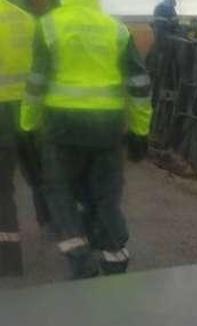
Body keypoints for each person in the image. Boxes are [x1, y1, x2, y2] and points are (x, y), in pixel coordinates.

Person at [20, 0, 153, 279]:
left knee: (60, 192)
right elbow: (138, 82)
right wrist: (141, 131)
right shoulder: (116, 29)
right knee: (106, 194)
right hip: (107, 127)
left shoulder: (49, 25)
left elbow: (36, 82)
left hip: (62, 126)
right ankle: (114, 256)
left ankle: (81, 261)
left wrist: (28, 125)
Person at [0, 0, 41, 277]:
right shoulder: (26, 19)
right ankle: (66, 232)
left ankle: (9, 260)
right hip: (28, 108)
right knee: (42, 174)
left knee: (2, 188)